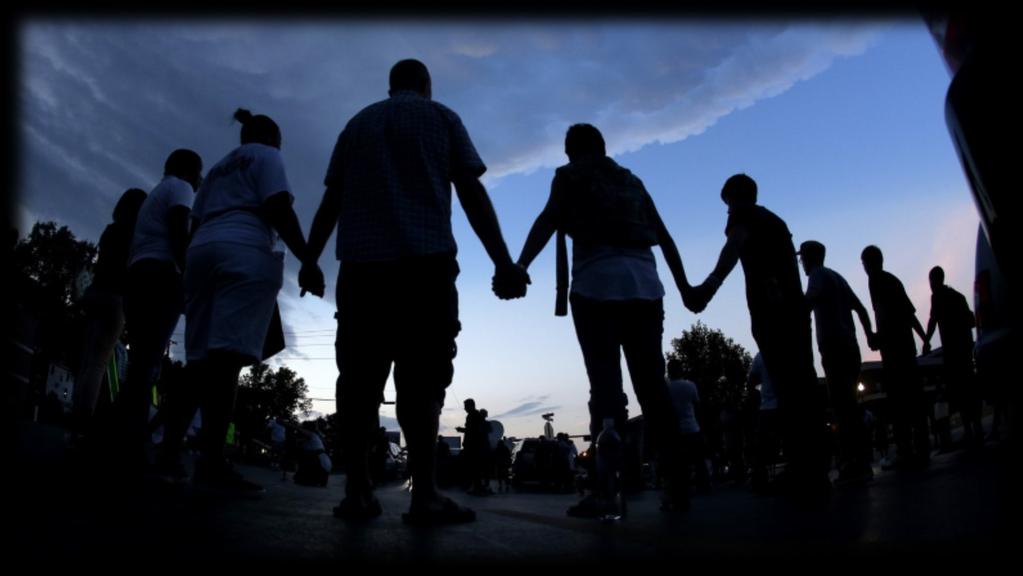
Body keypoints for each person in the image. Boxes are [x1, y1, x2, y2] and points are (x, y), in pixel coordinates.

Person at [299, 59, 528, 524]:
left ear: (390, 86)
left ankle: (359, 492)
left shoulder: (357, 124)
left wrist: (309, 260)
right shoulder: (442, 117)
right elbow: (470, 191)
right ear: (425, 85)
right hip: (425, 269)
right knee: (422, 384)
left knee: (358, 384)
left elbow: (331, 200)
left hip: (361, 270)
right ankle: (424, 495)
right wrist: (503, 261)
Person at [516, 123, 692, 515]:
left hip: (596, 287)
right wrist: (686, 288)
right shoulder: (631, 179)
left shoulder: (569, 176)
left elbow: (548, 220)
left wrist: (521, 264)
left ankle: (606, 490)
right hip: (646, 286)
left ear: (570, 150)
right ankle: (677, 487)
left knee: (606, 389)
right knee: (654, 389)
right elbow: (663, 236)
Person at [165, 108, 312, 495]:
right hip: (242, 249)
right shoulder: (267, 157)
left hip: (201, 252)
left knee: (197, 361)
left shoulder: (215, 171)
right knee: (227, 360)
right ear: (273, 137)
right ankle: (212, 463)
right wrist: (308, 259)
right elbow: (278, 207)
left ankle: (168, 449)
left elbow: (193, 223)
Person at [688, 174, 829, 502]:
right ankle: (815, 469)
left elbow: (733, 245)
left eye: (727, 206)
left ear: (735, 199)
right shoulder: (776, 221)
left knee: (786, 390)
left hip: (773, 313)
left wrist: (709, 286)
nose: (727, 214)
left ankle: (801, 470)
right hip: (794, 313)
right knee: (803, 387)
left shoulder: (744, 215)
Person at [114, 150, 202, 473]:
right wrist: (188, 272)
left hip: (138, 276)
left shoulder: (154, 195)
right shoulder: (181, 188)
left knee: (139, 363)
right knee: (147, 363)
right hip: (160, 276)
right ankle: (132, 444)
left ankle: (120, 437)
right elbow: (179, 229)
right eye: (199, 172)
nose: (200, 179)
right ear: (190, 170)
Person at [798, 240, 875, 482]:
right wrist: (869, 335)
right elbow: (861, 309)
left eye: (803, 258)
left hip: (834, 347)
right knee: (850, 405)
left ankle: (852, 463)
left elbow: (805, 305)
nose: (801, 263)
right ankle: (862, 462)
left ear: (809, 258)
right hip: (850, 346)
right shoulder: (838, 278)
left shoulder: (818, 276)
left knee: (842, 407)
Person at [73, 188, 147, 433]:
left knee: (87, 359)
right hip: (116, 300)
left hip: (95, 294)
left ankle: (76, 414)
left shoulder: (110, 231)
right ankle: (85, 418)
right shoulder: (138, 237)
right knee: (99, 362)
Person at [861, 245, 930, 470]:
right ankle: (922, 447)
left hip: (893, 351)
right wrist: (924, 339)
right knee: (914, 398)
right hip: (906, 348)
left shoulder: (876, 281)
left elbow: (883, 314)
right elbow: (909, 315)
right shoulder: (893, 280)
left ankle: (904, 450)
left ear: (868, 264)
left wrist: (876, 337)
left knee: (899, 401)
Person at [922, 265, 982, 445]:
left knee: (960, 390)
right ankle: (976, 427)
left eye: (931, 281)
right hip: (964, 349)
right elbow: (970, 321)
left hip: (953, 352)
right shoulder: (957, 296)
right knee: (969, 388)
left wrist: (926, 340)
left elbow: (933, 320)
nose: (931, 285)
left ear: (935, 280)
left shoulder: (938, 296)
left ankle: (969, 429)